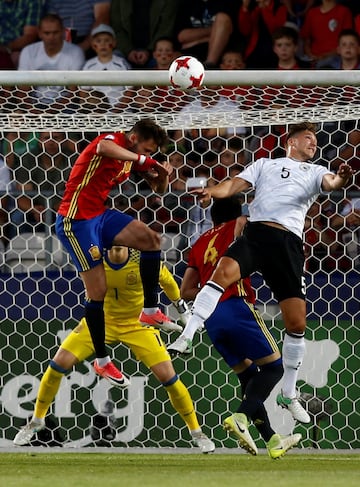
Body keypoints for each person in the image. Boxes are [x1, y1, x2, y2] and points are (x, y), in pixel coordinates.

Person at [169, 121, 354, 424]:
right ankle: (187, 336)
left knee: (296, 324)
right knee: (220, 275)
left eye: (316, 140)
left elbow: (332, 183)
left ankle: (289, 393)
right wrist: (213, 192)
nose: (314, 143)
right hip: (256, 234)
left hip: (287, 244)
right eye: (308, 138)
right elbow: (232, 186)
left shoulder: (316, 170)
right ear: (291, 141)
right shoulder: (265, 164)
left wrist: (341, 179)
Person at [13, 245, 215, 453]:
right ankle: (36, 421)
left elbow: (167, 282)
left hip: (138, 325)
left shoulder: (145, 260)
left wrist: (182, 310)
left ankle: (197, 433)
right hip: (101, 322)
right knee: (57, 365)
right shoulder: (94, 260)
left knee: (169, 378)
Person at [55, 118, 177, 388]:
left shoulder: (133, 157)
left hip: (98, 215)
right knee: (98, 292)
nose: (148, 156)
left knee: (151, 239)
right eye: (147, 150)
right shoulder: (112, 141)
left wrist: (164, 173)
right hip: (75, 221)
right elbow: (104, 150)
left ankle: (150, 309)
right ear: (134, 138)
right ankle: (101, 359)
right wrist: (144, 161)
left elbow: (158, 189)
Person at [179, 196, 302, 458]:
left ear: (212, 218)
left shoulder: (200, 242)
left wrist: (210, 290)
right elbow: (246, 226)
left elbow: (186, 290)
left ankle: (272, 440)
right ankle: (241, 417)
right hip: (237, 306)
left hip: (210, 317)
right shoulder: (240, 223)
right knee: (274, 367)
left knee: (249, 377)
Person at [17, 13, 85, 110]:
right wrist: (34, 112)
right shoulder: (29, 51)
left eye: (55, 32)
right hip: (35, 105)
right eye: (47, 33)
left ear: (63, 31)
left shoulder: (75, 52)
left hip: (65, 106)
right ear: (39, 33)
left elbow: (74, 93)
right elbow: (22, 91)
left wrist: (50, 113)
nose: (51, 37)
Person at [110, 0, 180, 68]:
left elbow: (165, 28)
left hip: (154, 51)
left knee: (165, 59)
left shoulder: (169, 1)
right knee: (113, 59)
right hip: (125, 51)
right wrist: (129, 51)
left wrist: (149, 51)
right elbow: (117, 28)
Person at [80, 24, 131, 109]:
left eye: (107, 40)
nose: (103, 44)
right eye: (98, 41)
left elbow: (130, 91)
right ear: (93, 45)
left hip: (121, 111)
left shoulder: (122, 63)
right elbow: (84, 92)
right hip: (97, 112)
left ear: (114, 43)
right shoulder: (89, 66)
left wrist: (118, 109)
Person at [175, 0, 237, 68]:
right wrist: (217, 31)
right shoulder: (187, 4)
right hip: (190, 55)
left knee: (222, 18)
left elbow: (230, 30)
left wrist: (196, 40)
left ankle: (209, 65)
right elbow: (182, 36)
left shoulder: (227, 3)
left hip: (221, 57)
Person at [44, 0, 111, 58]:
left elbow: (102, 19)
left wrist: (84, 46)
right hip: (63, 42)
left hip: (91, 41)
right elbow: (51, 23)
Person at [300, 0, 353, 68]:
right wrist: (310, 54)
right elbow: (306, 39)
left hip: (335, 57)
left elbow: (348, 40)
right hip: (313, 58)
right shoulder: (312, 12)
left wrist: (325, 55)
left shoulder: (344, 11)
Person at [237, 0, 288, 69]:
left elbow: (275, 31)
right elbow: (245, 31)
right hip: (254, 52)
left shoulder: (280, 7)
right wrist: (245, 9)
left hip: (274, 52)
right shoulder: (252, 6)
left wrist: (264, 8)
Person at [0, 0, 42, 68]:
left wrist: (7, 48)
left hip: (16, 49)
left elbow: (30, 36)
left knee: (19, 57)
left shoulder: (32, 2)